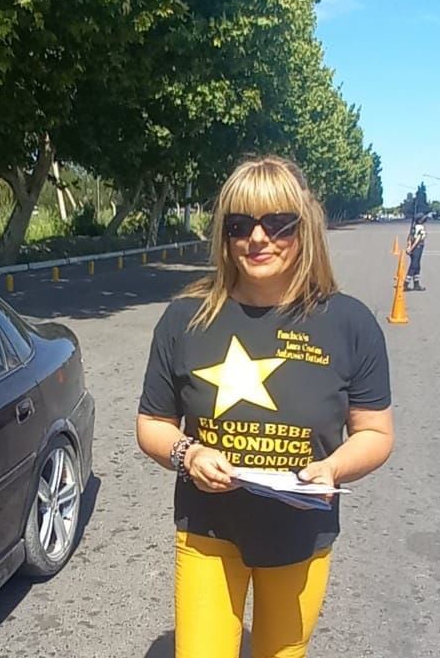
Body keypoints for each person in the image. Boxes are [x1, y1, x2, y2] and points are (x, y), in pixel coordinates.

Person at [137, 155, 394, 658]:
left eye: (278, 223)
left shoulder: (349, 323)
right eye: (240, 224)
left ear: (306, 228)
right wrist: (188, 454)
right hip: (209, 527)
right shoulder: (183, 319)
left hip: (301, 531)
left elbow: (376, 433)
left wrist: (334, 466)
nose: (258, 239)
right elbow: (152, 424)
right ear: (224, 234)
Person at [405, 213, 427, 292]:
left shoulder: (413, 227)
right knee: (414, 266)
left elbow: (410, 238)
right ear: (420, 220)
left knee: (417, 266)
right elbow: (418, 239)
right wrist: (412, 248)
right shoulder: (421, 227)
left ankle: (416, 284)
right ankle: (406, 284)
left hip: (414, 248)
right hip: (417, 247)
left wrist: (408, 247)